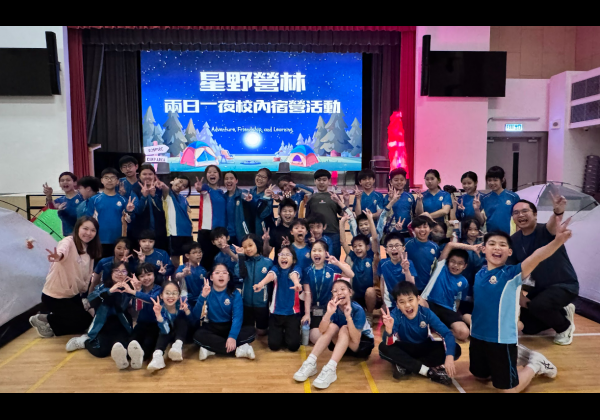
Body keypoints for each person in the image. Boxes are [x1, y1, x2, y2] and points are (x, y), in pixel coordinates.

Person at [470, 227, 573, 393]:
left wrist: (557, 241)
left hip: (501, 339)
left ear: (509, 252)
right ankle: (517, 356)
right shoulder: (479, 273)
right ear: (483, 249)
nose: (497, 248)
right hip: (477, 336)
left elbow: (537, 256)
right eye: (492, 244)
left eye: (502, 245)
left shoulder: (512, 274)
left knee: (509, 390)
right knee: (480, 377)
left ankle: (536, 364)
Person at [509, 197, 578, 345]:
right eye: (516, 213)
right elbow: (513, 274)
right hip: (540, 288)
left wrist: (558, 212)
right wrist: (520, 297)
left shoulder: (545, 231)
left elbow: (552, 224)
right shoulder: (513, 240)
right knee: (528, 326)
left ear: (535, 215)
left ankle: (565, 327)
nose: (520, 215)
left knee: (539, 306)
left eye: (525, 211)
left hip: (564, 285)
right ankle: (562, 313)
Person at [293, 280, 374, 390]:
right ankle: (310, 362)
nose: (339, 293)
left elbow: (355, 341)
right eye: (335, 291)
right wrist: (328, 313)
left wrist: (348, 317)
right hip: (343, 345)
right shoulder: (334, 307)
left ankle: (331, 368)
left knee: (344, 328)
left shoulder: (357, 310)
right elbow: (322, 330)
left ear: (350, 292)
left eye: (342, 289)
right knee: (332, 326)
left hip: (362, 345)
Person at [30, 217, 102, 338]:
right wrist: (57, 256)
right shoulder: (68, 241)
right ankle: (46, 319)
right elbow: (61, 252)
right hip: (55, 296)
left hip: (72, 294)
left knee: (86, 322)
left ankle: (52, 320)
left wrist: (84, 295)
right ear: (77, 228)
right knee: (79, 323)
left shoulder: (89, 248)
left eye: (93, 230)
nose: (88, 233)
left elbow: (87, 274)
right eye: (85, 228)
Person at [378, 282, 460, 384]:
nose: (407, 305)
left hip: (424, 347)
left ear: (418, 299)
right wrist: (389, 330)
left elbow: (447, 334)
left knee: (456, 349)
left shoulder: (426, 313)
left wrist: (449, 357)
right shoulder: (395, 315)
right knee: (383, 347)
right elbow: (388, 343)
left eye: (410, 300)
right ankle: (428, 371)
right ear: (397, 305)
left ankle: (406, 366)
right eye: (402, 302)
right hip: (405, 347)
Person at [64, 261, 134, 370]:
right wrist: (110, 291)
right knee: (101, 352)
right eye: (116, 271)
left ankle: (122, 362)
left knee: (124, 347)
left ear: (128, 274)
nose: (120, 274)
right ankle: (84, 341)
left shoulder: (129, 289)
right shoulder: (102, 286)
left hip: (121, 323)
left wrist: (134, 290)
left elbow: (126, 305)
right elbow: (92, 300)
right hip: (103, 324)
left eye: (123, 271)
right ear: (111, 273)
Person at [193, 264, 257, 360]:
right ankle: (239, 350)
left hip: (229, 326)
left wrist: (232, 336)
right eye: (217, 273)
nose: (221, 275)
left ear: (228, 278)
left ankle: (211, 349)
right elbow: (195, 316)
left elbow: (237, 317)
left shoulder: (235, 293)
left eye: (224, 273)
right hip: (213, 327)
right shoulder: (206, 291)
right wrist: (202, 297)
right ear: (211, 277)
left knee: (251, 331)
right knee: (197, 336)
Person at [301, 240, 355, 344]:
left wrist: (337, 263)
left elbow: (351, 274)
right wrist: (307, 314)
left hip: (330, 309)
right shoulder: (307, 271)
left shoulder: (332, 268)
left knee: (333, 331)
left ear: (326, 253)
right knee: (315, 337)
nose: (316, 253)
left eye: (319, 250)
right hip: (314, 309)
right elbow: (307, 294)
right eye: (314, 250)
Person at [253, 245, 302, 352]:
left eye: (287, 254)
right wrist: (261, 284)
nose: (284, 257)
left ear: (293, 259)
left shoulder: (296, 268)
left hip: (292, 313)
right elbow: (271, 275)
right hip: (276, 312)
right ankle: (282, 334)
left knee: (293, 346)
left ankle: (288, 333)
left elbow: (294, 275)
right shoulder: (276, 268)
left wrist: (296, 283)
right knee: (274, 346)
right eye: (281, 254)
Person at [420, 247, 473, 341]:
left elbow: (458, 300)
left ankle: (437, 332)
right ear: (447, 261)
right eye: (453, 261)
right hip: (430, 304)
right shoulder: (440, 267)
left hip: (448, 310)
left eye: (460, 263)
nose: (455, 265)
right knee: (418, 301)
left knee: (464, 333)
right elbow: (450, 245)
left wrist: (455, 314)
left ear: (464, 266)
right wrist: (473, 248)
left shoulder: (464, 282)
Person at [340, 210, 381, 325]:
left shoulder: (371, 256)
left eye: (360, 246)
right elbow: (343, 241)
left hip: (371, 296)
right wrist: (342, 222)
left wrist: (370, 219)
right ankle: (352, 313)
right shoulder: (353, 257)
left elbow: (375, 239)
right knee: (345, 290)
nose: (357, 248)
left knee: (370, 291)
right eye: (355, 246)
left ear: (367, 247)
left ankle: (369, 315)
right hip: (356, 295)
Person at [86, 167, 136, 258]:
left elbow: (129, 221)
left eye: (112, 178)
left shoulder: (124, 200)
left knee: (118, 265)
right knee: (99, 265)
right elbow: (89, 220)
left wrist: (129, 212)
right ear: (102, 180)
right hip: (99, 240)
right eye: (106, 178)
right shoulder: (94, 199)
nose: (109, 180)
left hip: (118, 241)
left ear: (117, 181)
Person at [120, 263, 163, 366]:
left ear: (154, 275)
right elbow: (136, 308)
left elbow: (151, 299)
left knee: (147, 345)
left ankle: (139, 359)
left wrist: (135, 292)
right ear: (138, 278)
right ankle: (124, 358)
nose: (146, 278)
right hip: (141, 323)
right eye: (142, 276)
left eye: (149, 274)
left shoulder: (159, 289)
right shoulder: (138, 289)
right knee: (132, 341)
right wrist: (136, 291)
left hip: (156, 325)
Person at [146, 281, 194, 371]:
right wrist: (159, 316)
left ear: (179, 296)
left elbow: (193, 323)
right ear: (161, 295)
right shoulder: (159, 308)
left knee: (181, 319)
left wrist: (187, 311)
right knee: (163, 331)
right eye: (167, 293)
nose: (171, 296)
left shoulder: (182, 304)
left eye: (174, 293)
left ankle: (177, 346)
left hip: (184, 337)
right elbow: (165, 331)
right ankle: (157, 356)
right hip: (168, 335)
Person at [233, 234, 274, 335]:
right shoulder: (244, 262)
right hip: (246, 303)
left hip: (262, 303)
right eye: (244, 247)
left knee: (261, 332)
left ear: (257, 244)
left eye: (250, 245)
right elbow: (240, 274)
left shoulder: (268, 262)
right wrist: (241, 256)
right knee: (248, 332)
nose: (248, 249)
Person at [305, 169, 344, 260]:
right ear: (315, 181)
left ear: (329, 181)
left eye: (324, 180)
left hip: (333, 233)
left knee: (334, 259)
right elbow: (307, 218)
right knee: (317, 259)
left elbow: (343, 213)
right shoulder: (311, 198)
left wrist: (345, 201)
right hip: (316, 234)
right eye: (319, 180)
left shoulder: (334, 196)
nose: (321, 182)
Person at [194, 165, 227, 271]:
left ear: (219, 176)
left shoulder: (222, 193)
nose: (212, 174)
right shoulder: (206, 189)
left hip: (220, 232)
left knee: (220, 261)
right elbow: (200, 189)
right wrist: (199, 188)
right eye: (209, 172)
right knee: (206, 262)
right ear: (206, 175)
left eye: (215, 172)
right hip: (206, 231)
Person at [157, 175, 193, 269]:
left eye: (184, 185)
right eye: (180, 181)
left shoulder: (183, 199)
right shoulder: (168, 194)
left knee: (187, 262)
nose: (181, 185)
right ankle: (174, 278)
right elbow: (164, 188)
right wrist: (163, 184)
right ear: (175, 179)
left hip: (187, 233)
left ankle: (185, 278)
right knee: (175, 263)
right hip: (174, 233)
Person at [131, 164, 168, 252]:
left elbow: (163, 209)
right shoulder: (135, 190)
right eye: (144, 174)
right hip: (142, 231)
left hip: (160, 230)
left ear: (154, 176)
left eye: (150, 174)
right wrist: (144, 196)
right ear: (139, 176)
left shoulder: (159, 189)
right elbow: (138, 210)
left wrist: (154, 196)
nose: (147, 176)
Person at [375, 232, 417, 309]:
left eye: (397, 245)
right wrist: (383, 302)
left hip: (405, 299)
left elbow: (411, 285)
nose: (394, 248)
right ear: (386, 250)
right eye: (390, 246)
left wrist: (406, 270)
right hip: (390, 300)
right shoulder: (382, 263)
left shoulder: (409, 263)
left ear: (403, 248)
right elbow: (382, 283)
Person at [456, 218, 486, 323]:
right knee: (464, 307)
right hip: (465, 278)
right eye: (470, 229)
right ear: (465, 230)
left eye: (476, 229)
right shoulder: (460, 244)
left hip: (479, 279)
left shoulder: (483, 245)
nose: (473, 232)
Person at [404, 216, 440, 292]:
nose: (422, 230)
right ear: (413, 229)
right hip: (409, 285)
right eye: (419, 227)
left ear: (430, 229)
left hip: (427, 287)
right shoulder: (406, 243)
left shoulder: (435, 247)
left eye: (425, 227)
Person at [480, 166, 520, 234]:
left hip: (509, 235)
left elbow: (518, 217)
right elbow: (481, 221)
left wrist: (518, 235)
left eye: (495, 180)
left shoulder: (513, 197)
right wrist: (476, 210)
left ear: (502, 180)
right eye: (489, 180)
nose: (492, 183)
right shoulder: (484, 198)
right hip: (490, 235)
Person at [43, 172, 83, 236]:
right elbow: (51, 207)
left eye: (68, 180)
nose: (65, 182)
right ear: (59, 184)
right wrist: (49, 196)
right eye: (62, 180)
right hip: (68, 234)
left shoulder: (82, 196)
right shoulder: (60, 200)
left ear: (75, 183)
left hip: (83, 232)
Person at [381, 168, 415, 237]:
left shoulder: (410, 197)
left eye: (402, 180)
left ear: (405, 181)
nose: (399, 182)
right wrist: (391, 199)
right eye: (396, 180)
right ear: (391, 182)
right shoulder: (386, 197)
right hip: (391, 232)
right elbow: (384, 215)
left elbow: (415, 213)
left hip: (407, 232)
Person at [174, 242, 207, 309]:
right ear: (187, 255)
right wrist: (183, 274)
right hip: (186, 300)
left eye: (200, 252)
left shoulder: (203, 270)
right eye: (194, 253)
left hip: (200, 299)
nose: (198, 254)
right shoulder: (182, 267)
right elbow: (177, 276)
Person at [248, 168, 276, 234]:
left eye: (263, 177)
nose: (260, 179)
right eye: (258, 175)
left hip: (262, 233)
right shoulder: (251, 192)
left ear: (268, 181)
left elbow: (262, 214)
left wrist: (266, 198)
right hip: (250, 230)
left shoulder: (269, 196)